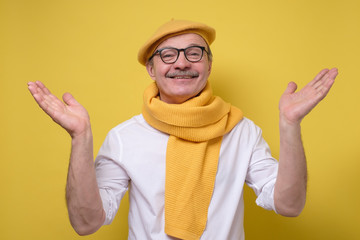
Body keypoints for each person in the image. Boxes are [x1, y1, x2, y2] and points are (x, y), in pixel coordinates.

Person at [27, 19, 338, 240]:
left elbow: (289, 205)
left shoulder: (242, 131)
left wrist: (290, 125)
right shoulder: (124, 138)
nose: (181, 63)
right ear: (151, 69)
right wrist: (80, 138)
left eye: (194, 52)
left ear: (208, 65)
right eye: (167, 55)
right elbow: (86, 223)